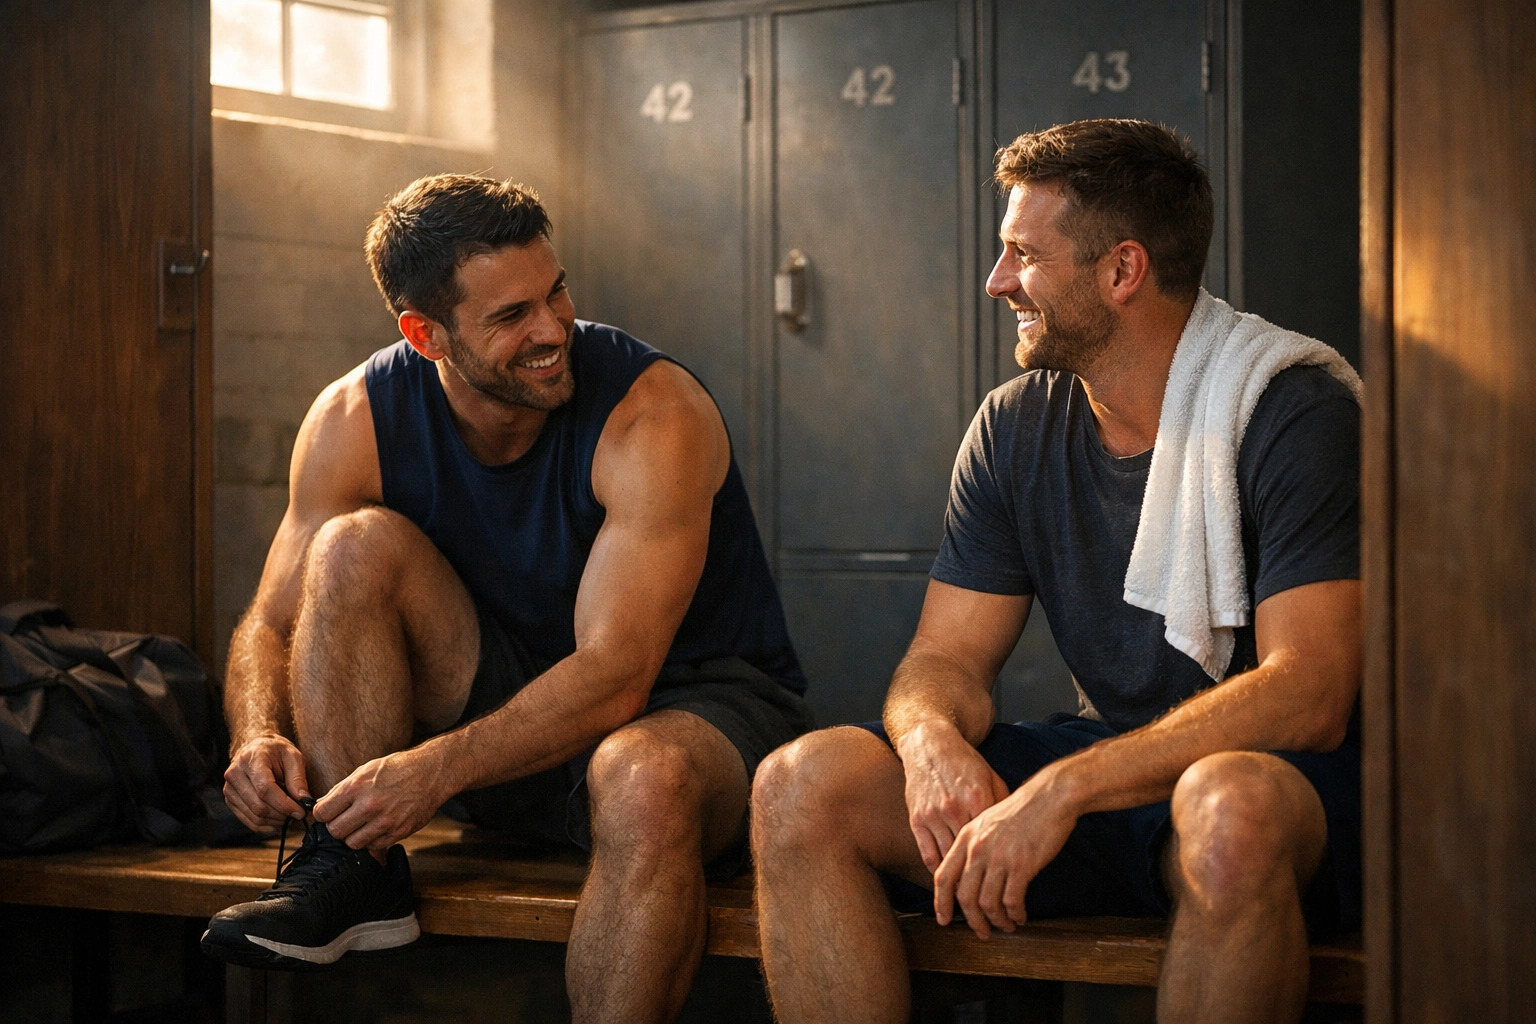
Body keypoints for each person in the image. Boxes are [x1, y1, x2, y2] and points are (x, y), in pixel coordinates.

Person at [750, 119, 1362, 1024]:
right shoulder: (1013, 425)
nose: (998, 282)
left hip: (1285, 790)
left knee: (1227, 805)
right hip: (1113, 780)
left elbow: (1309, 693)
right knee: (801, 784)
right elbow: (944, 661)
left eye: (1023, 256)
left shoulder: (1289, 411)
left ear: (1122, 272)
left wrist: (1063, 789)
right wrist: (931, 749)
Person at [202, 174, 811, 1023]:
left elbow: (616, 675)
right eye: (510, 317)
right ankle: (351, 864)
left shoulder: (654, 412)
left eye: (555, 292)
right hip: (500, 718)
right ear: (426, 335)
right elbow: (271, 621)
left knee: (640, 777)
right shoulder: (354, 417)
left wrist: (433, 768)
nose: (552, 329)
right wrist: (257, 728)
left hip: (695, 712)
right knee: (348, 548)